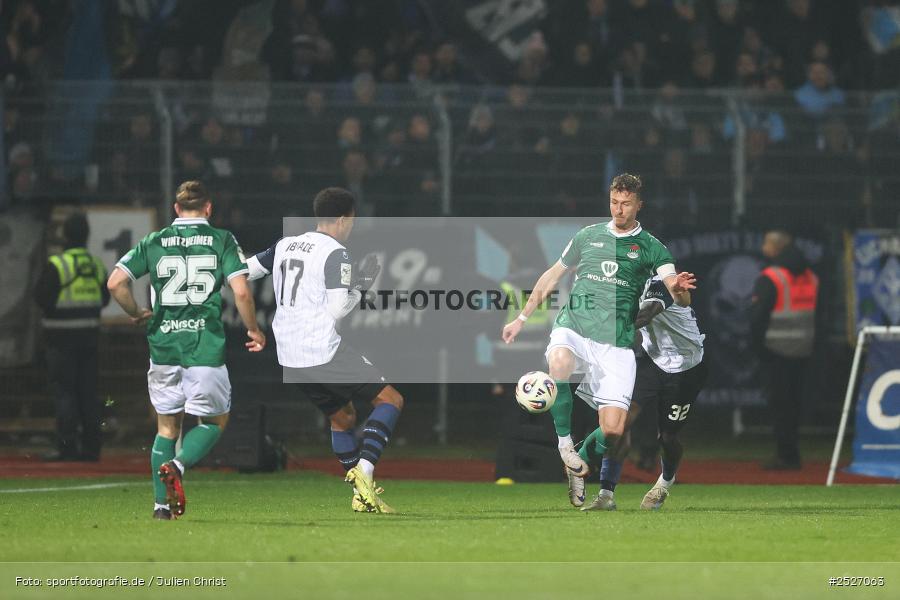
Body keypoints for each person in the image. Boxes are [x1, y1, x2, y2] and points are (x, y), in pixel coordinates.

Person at [502, 173, 696, 511]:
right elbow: (551, 276)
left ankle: (577, 464)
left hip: (616, 343)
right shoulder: (587, 236)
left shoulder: (652, 247)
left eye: (626, 204)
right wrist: (521, 317)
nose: (618, 210)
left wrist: (678, 289)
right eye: (614, 202)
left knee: (613, 431)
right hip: (575, 325)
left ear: (639, 205)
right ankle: (565, 447)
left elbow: (678, 295)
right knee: (559, 362)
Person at [107, 180, 266, 520]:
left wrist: (136, 313)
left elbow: (116, 283)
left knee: (167, 428)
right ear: (208, 208)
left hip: (163, 347)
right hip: (204, 347)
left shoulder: (154, 240)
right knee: (214, 420)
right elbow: (241, 293)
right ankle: (178, 465)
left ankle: (160, 507)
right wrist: (253, 328)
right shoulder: (222, 239)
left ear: (176, 209)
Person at [246, 187, 403, 514]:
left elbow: (245, 272)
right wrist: (360, 287)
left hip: (289, 354)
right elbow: (338, 309)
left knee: (343, 418)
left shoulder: (285, 243)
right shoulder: (335, 252)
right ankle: (365, 473)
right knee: (391, 400)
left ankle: (361, 495)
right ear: (344, 218)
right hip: (320, 348)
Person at [584, 275, 707, 510]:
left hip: (686, 367)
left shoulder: (661, 282)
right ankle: (605, 494)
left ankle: (665, 481)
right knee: (620, 422)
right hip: (652, 362)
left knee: (668, 438)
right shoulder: (620, 285)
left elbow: (645, 315)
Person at [34, 212, 110, 461]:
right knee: (88, 392)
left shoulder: (58, 264)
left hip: (60, 339)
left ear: (65, 234)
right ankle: (92, 448)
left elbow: (41, 298)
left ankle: (67, 447)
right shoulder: (96, 264)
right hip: (89, 337)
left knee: (65, 392)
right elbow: (105, 298)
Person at [750, 230, 818, 470]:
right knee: (795, 405)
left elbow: (758, 317)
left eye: (766, 242)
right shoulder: (810, 275)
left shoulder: (772, 277)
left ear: (774, 247)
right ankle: (792, 454)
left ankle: (785, 456)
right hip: (804, 349)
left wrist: (758, 348)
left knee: (780, 406)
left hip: (775, 351)